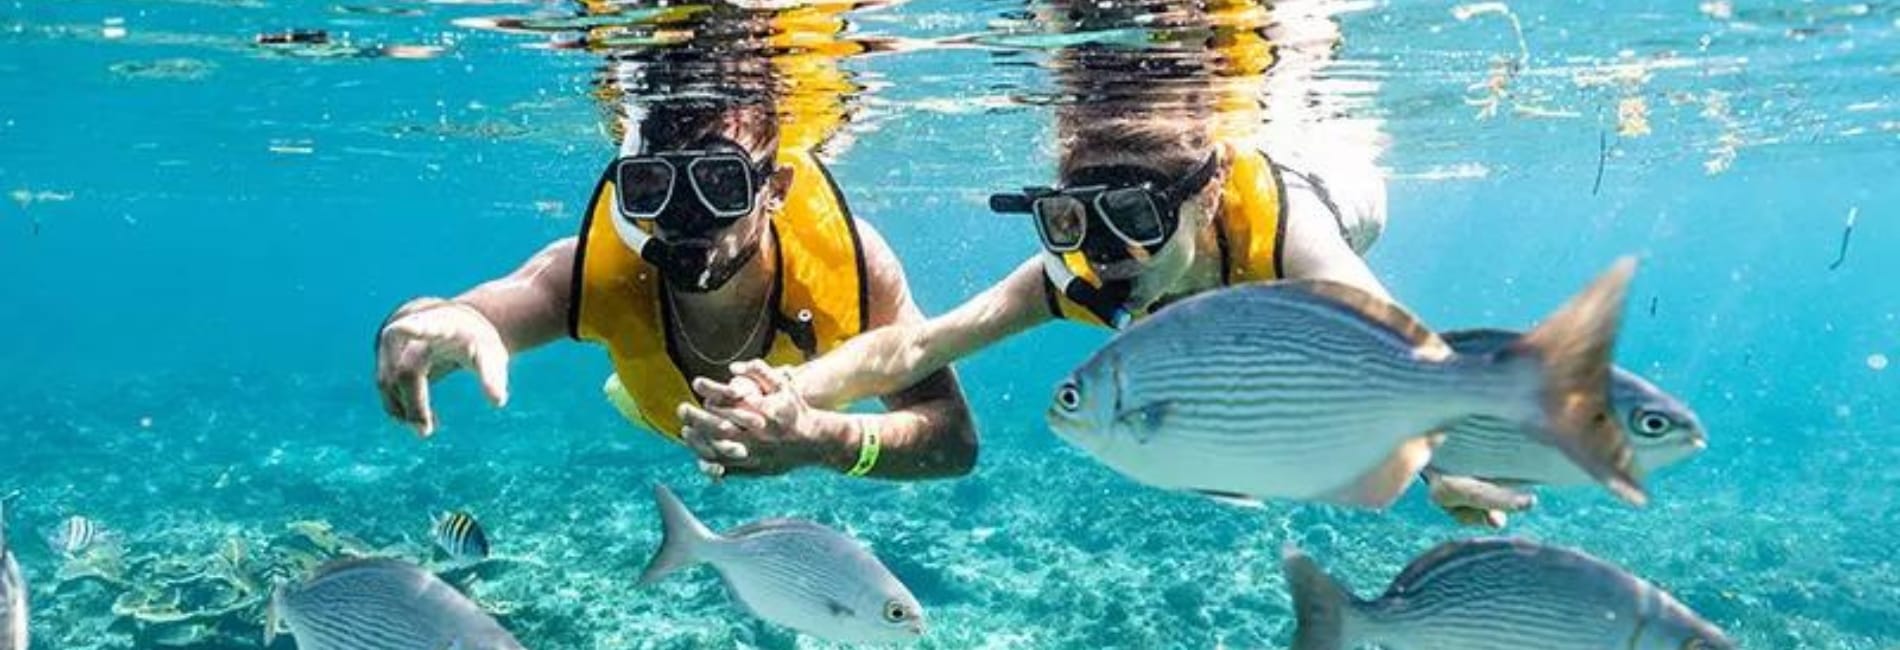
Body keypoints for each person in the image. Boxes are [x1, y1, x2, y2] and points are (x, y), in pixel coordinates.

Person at [684, 1, 1528, 524]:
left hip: (1328, 185)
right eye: (1072, 221)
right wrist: (789, 394)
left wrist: (1447, 466)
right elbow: (916, 348)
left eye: (1132, 220)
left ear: (1203, 198)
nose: (1105, 253)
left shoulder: (1284, 241)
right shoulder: (1091, 262)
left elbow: (1415, 365)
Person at [373, 9, 976, 481]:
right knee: (627, 396)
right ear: (627, 190)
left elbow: (953, 441)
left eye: (720, 183)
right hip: (655, 404)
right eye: (653, 186)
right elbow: (467, 316)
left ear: (775, 189)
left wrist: (824, 441)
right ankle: (629, 393)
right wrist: (429, 321)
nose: (686, 216)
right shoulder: (597, 274)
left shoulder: (851, 266)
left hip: (781, 411)